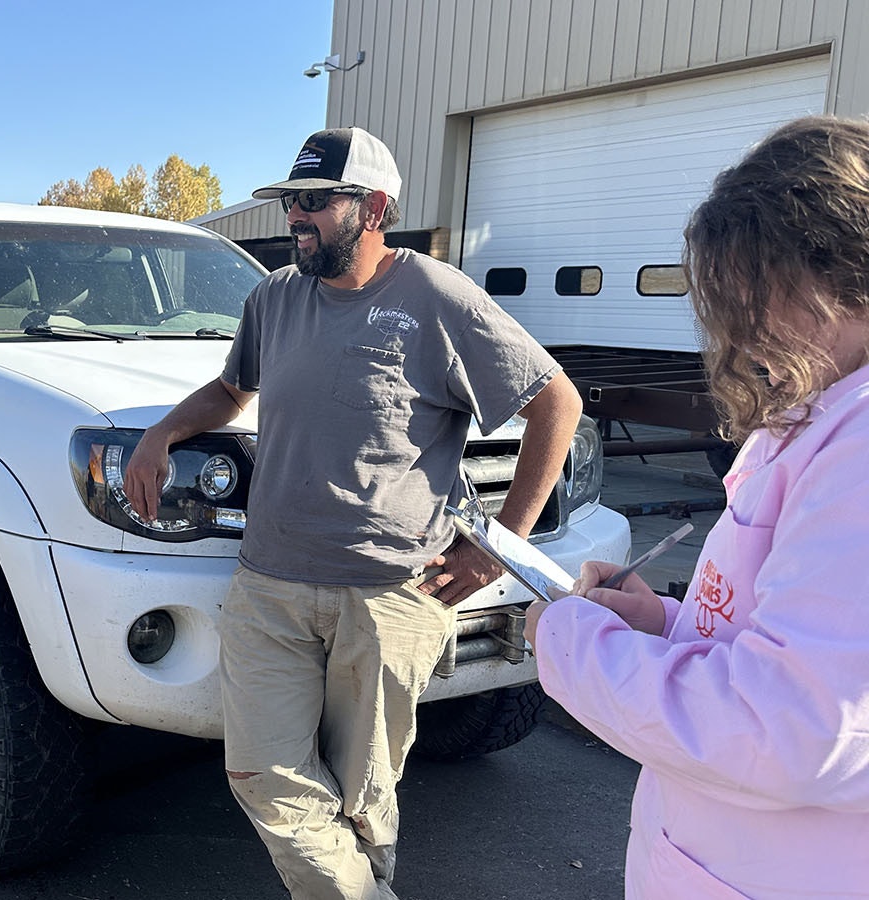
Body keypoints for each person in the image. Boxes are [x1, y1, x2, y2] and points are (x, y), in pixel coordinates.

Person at [127, 127, 581, 899]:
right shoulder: (274, 296)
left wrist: (500, 545)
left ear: (372, 208)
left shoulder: (437, 298)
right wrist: (162, 432)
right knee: (262, 775)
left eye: (312, 202)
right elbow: (232, 390)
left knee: (364, 804)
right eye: (290, 202)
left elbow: (556, 404)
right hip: (268, 586)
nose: (293, 218)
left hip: (389, 595)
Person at [526, 115, 869, 898]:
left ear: (842, 270)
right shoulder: (829, 407)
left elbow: (791, 730)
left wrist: (570, 642)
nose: (744, 331)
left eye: (760, 290)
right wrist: (673, 626)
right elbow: (813, 655)